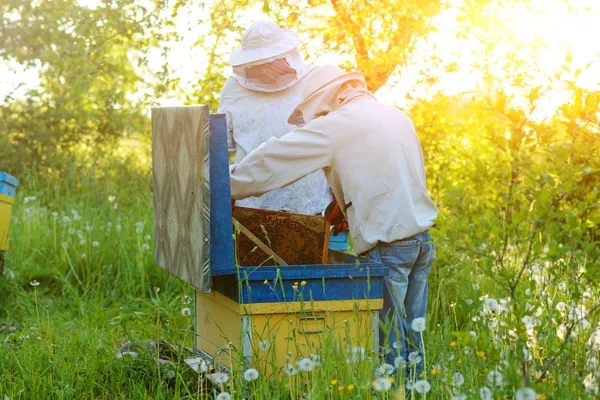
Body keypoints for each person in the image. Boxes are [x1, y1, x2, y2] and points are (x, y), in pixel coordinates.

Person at [228, 64, 438, 378]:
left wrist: (226, 184)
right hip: (421, 243)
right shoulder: (395, 116)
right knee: (411, 339)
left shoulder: (337, 126)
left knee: (389, 345)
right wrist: (346, 204)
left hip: (390, 248)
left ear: (326, 97)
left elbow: (275, 159)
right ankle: (417, 393)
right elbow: (389, 176)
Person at [218, 20, 331, 215]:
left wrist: (341, 195)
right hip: (253, 205)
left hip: (310, 202)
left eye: (271, 61)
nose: (265, 68)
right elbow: (220, 149)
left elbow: (336, 140)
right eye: (259, 64)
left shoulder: (315, 79)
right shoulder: (233, 89)